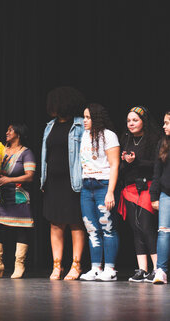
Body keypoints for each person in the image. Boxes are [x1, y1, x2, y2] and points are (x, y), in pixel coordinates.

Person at [40, 86, 86, 280]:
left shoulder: (81, 125)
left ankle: (76, 265)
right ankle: (57, 266)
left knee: (76, 222)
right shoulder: (50, 126)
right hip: (53, 181)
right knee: (55, 223)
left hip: (73, 181)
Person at [0, 123, 36, 279]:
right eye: (7, 130)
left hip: (18, 196)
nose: (7, 132)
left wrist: (9, 180)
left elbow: (30, 176)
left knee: (21, 229)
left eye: (10, 130)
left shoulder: (26, 153)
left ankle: (19, 265)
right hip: (1, 197)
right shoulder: (1, 151)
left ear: (18, 133)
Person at [118, 106, 161, 282]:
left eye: (135, 120)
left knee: (146, 226)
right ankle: (142, 269)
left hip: (147, 186)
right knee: (136, 228)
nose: (131, 124)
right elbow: (121, 168)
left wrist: (137, 161)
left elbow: (157, 165)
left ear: (144, 121)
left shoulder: (153, 139)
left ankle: (157, 268)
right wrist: (125, 162)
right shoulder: (126, 138)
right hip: (129, 188)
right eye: (129, 120)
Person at [78, 104, 120, 281]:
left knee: (107, 227)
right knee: (91, 228)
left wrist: (110, 191)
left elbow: (115, 164)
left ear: (96, 118)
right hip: (86, 186)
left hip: (103, 185)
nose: (84, 121)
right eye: (84, 117)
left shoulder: (109, 136)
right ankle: (96, 268)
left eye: (88, 117)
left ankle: (110, 269)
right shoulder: (84, 135)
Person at [150, 111, 170, 284]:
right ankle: (161, 270)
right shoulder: (163, 143)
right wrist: (154, 196)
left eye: (167, 123)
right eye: (164, 122)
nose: (164, 126)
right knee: (163, 232)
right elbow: (157, 172)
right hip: (166, 193)